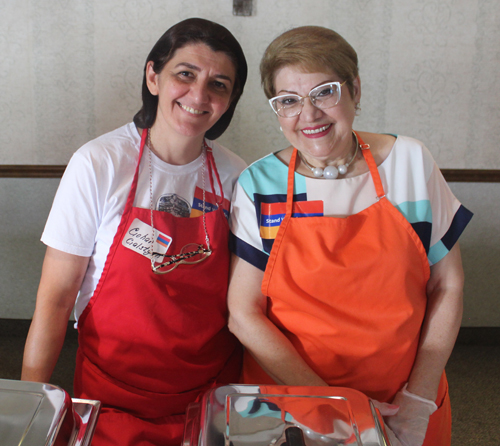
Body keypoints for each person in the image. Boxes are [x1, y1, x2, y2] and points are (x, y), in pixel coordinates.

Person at [227, 25, 472, 446]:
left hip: (404, 403)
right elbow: (243, 314)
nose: (309, 114)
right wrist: (335, 406)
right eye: (288, 101)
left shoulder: (410, 164)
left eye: (324, 91)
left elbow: (448, 284)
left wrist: (419, 397)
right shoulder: (259, 184)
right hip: (294, 402)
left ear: (354, 90)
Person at [22, 18, 247, 446]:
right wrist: (31, 409)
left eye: (219, 84)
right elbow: (54, 300)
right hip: (111, 400)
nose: (199, 96)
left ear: (230, 99)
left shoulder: (237, 178)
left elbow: (244, 301)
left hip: (210, 398)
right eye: (186, 74)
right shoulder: (99, 164)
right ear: (153, 76)